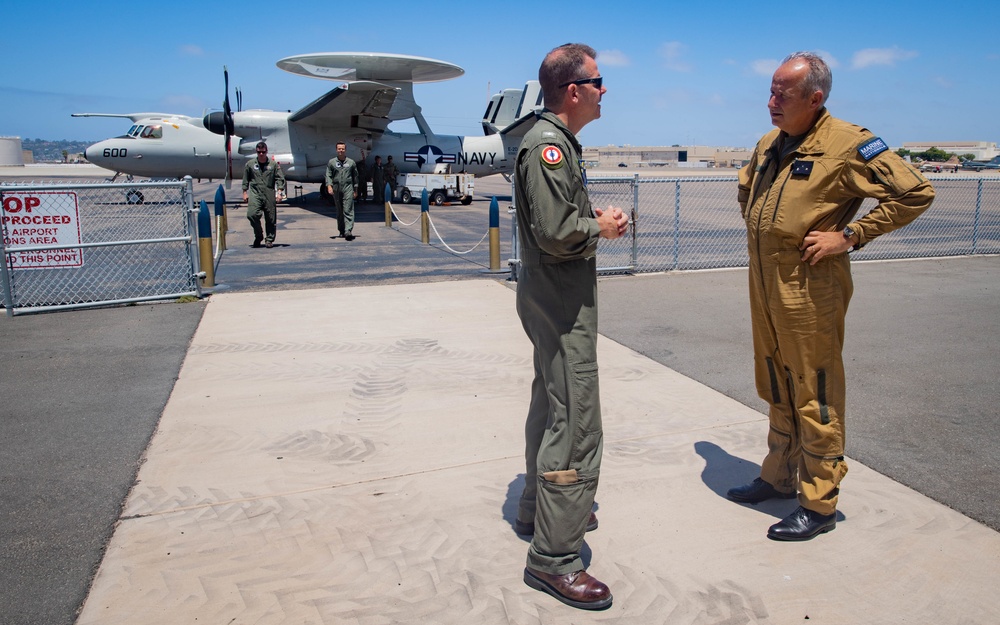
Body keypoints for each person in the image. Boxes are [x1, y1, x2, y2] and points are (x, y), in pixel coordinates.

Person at [732, 51, 935, 541]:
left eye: (783, 93)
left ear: (815, 97)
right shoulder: (769, 142)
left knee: (814, 388)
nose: (771, 101)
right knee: (776, 380)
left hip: (809, 285)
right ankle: (779, 476)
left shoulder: (850, 144)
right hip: (766, 281)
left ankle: (819, 503)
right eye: (771, 90)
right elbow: (746, 190)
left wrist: (849, 236)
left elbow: (915, 193)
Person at [513, 43, 627, 611]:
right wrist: (600, 226)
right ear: (574, 90)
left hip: (552, 298)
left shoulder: (555, 143)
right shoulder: (548, 146)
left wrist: (592, 220)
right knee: (577, 420)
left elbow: (555, 222)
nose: (605, 90)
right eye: (599, 81)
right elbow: (558, 233)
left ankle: (537, 509)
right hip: (561, 302)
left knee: (552, 402)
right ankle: (555, 559)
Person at [242, 141, 285, 248]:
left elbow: (280, 179)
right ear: (256, 152)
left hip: (269, 192)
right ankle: (259, 235)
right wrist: (244, 192)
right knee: (252, 215)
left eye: (263, 152)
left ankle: (269, 239)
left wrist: (279, 193)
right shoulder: (250, 164)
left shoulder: (273, 165)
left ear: (266, 151)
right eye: (259, 152)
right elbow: (245, 179)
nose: (261, 154)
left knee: (270, 218)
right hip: (255, 193)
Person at [325, 142, 359, 240]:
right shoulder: (332, 162)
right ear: (336, 150)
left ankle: (348, 230)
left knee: (348, 209)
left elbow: (355, 177)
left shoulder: (351, 162)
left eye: (343, 149)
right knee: (339, 211)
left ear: (345, 150)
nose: (341, 150)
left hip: (348, 187)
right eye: (339, 149)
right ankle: (341, 230)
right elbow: (328, 175)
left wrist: (355, 190)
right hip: (336, 188)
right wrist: (329, 186)